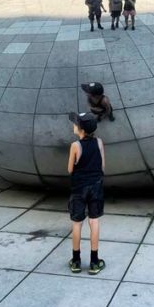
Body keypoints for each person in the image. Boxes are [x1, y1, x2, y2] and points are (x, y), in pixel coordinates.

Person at [66, 111, 105, 275]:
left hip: (78, 189)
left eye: (76, 124)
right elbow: (102, 167)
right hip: (96, 187)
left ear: (81, 129)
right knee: (94, 222)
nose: (74, 125)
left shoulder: (75, 146)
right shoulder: (99, 142)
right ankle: (95, 262)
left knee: (77, 223)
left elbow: (70, 169)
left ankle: (76, 261)